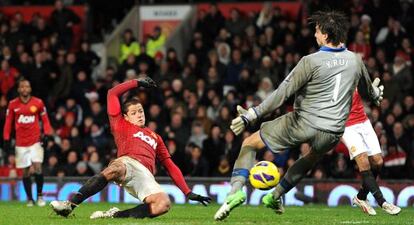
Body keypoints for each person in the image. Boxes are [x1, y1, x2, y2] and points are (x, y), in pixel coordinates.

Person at [214, 10, 384, 220]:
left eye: (317, 31)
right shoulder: (355, 60)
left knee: (250, 143)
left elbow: (282, 93)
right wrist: (376, 94)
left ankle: (235, 192)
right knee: (311, 157)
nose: (314, 35)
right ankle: (276, 195)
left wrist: (253, 114)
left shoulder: (310, 61)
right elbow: (369, 93)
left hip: (304, 122)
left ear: (325, 34)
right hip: (332, 132)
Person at [50, 77, 211, 219]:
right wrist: (136, 82)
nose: (139, 114)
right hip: (126, 163)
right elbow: (112, 93)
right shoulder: (120, 123)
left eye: (140, 111)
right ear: (126, 117)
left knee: (163, 204)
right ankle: (69, 205)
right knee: (115, 168)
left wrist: (188, 192)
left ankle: (115, 215)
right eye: (134, 112)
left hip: (145, 175)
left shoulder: (156, 137)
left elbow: (170, 165)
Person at [342, 90, 400, 215]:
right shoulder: (328, 78)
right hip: (347, 125)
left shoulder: (354, 72)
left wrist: (372, 92)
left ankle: (361, 197)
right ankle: (383, 202)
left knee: (378, 162)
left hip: (364, 121)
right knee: (363, 162)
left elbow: (365, 90)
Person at [3, 78, 54, 207]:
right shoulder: (13, 104)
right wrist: (6, 138)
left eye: (27, 86)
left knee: (37, 167)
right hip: (21, 143)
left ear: (30, 88)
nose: (24, 89)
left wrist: (47, 134)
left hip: (35, 141)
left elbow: (45, 120)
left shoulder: (38, 103)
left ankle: (40, 197)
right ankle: (30, 199)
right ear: (19, 89)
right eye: (22, 87)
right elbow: (8, 123)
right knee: (25, 171)